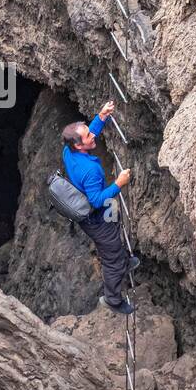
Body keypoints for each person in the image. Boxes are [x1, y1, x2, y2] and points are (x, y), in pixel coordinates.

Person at [61, 99, 139, 315]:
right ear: (79, 145)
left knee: (115, 234)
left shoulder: (68, 151)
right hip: (96, 218)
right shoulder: (90, 171)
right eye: (88, 136)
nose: (92, 135)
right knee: (111, 257)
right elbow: (96, 201)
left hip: (96, 213)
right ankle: (113, 299)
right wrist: (118, 184)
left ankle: (123, 260)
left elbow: (87, 135)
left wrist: (102, 116)